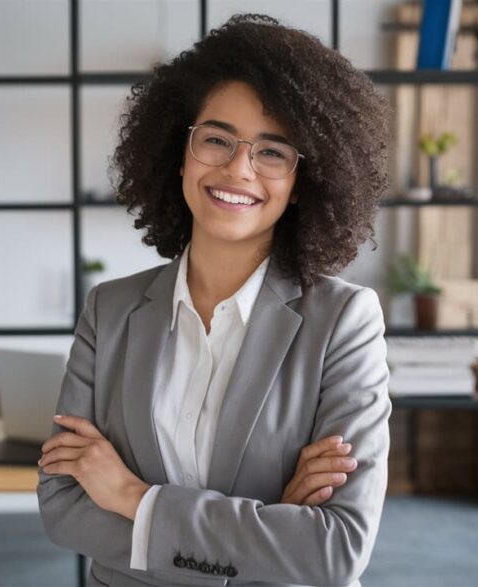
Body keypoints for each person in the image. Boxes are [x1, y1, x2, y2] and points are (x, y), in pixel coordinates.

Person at [37, 13, 392, 587]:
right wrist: (268, 530)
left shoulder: (344, 322)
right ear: (181, 153)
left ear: (300, 182)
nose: (237, 168)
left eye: (273, 152)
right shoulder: (109, 311)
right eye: (217, 139)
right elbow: (64, 509)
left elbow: (334, 550)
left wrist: (131, 496)